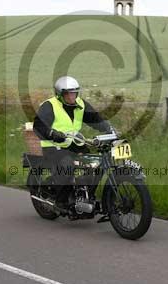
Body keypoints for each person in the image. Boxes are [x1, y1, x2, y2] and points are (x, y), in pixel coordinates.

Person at [33, 76, 113, 209]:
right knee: (67, 165)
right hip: (53, 147)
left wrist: (109, 129)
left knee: (94, 164)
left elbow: (95, 119)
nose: (71, 97)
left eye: (74, 93)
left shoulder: (81, 104)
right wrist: (52, 134)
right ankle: (61, 200)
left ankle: (83, 193)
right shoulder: (50, 105)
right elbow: (38, 126)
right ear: (59, 95)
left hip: (74, 145)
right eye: (67, 94)